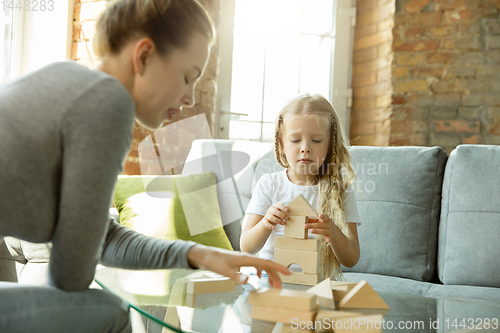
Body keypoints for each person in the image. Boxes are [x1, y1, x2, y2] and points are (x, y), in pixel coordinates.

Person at [0, 0, 290, 332]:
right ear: (144, 56)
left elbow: (100, 239)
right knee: (113, 313)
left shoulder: (68, 79)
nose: (190, 98)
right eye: (187, 77)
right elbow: (71, 276)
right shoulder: (107, 102)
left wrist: (197, 254)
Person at [240, 94, 361, 281]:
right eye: (295, 140)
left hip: (317, 282)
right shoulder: (269, 184)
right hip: (271, 279)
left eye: (317, 140)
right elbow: (246, 246)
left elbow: (351, 258)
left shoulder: (340, 190)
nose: (305, 148)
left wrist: (335, 233)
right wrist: (266, 223)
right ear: (282, 143)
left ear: (330, 145)